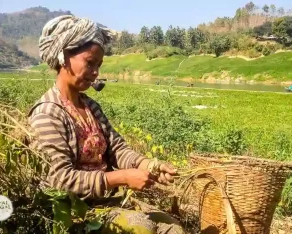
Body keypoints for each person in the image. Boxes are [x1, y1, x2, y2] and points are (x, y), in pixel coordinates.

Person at [28, 15, 185, 234]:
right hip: (76, 211)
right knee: (142, 229)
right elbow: (61, 179)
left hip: (106, 202)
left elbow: (117, 149)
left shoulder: (91, 106)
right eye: (89, 63)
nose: (96, 73)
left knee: (171, 225)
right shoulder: (48, 113)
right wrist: (121, 178)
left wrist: (150, 166)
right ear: (63, 56)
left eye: (98, 65)